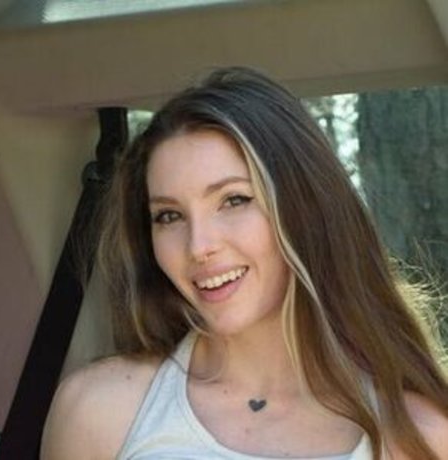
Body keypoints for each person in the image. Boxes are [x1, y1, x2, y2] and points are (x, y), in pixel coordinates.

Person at [40, 67, 448, 460]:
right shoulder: (98, 412)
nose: (199, 246)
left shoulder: (422, 436)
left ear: (306, 209)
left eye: (234, 200)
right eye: (169, 216)